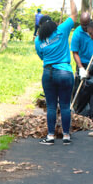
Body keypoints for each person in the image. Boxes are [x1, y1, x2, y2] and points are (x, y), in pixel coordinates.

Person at [34, 13, 76, 145]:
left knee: (51, 106)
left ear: (40, 27)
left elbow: (42, 57)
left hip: (48, 73)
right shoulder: (61, 30)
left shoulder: (38, 40)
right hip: (65, 72)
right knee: (65, 106)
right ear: (52, 23)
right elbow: (74, 15)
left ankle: (51, 136)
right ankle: (66, 136)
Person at [70, 12, 93, 121]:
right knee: (81, 89)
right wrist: (81, 68)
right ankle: (79, 114)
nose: (85, 28)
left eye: (87, 25)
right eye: (83, 25)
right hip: (83, 63)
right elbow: (75, 52)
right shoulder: (77, 33)